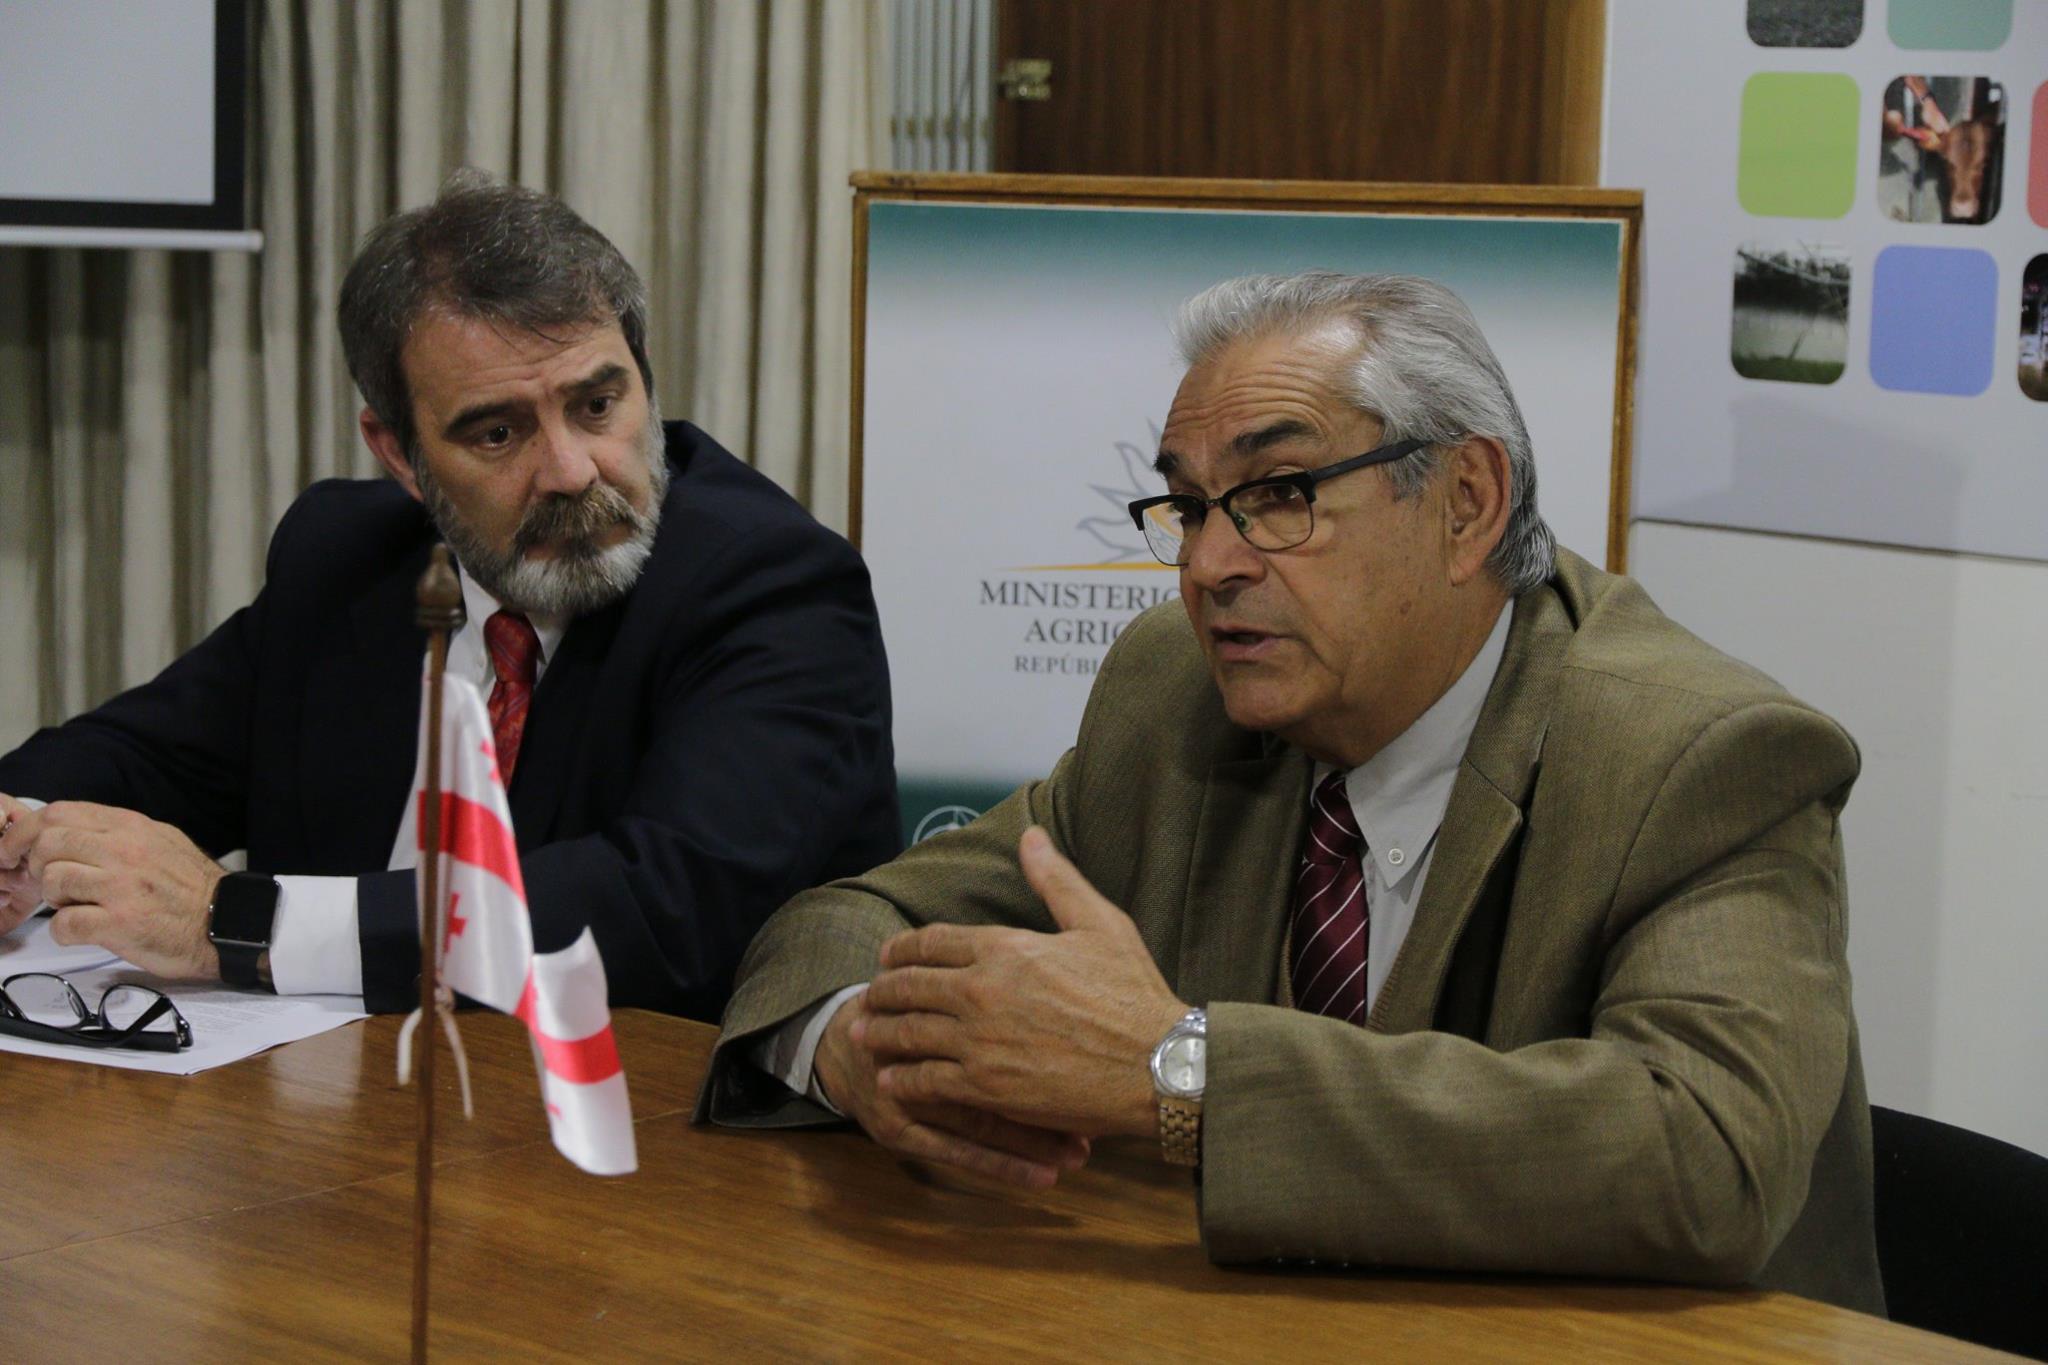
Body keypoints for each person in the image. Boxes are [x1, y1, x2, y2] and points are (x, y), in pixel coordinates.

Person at [697, 271, 1883, 1313]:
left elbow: (1704, 1156)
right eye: (1190, 507)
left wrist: (1181, 1069)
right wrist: (855, 1042)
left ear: (1466, 502)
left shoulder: (1699, 755)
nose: (1209, 565)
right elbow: (849, 922)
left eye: (1278, 494)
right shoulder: (1176, 693)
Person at [0, 172, 900, 1018]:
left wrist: (234, 921)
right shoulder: (346, 558)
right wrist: (20, 832)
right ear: (399, 454)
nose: (571, 470)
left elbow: (662, 904)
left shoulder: (773, 586)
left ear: (643, 374)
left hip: (636, 1111)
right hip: (330, 1097)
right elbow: (146, 758)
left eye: (597, 405)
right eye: (499, 433)